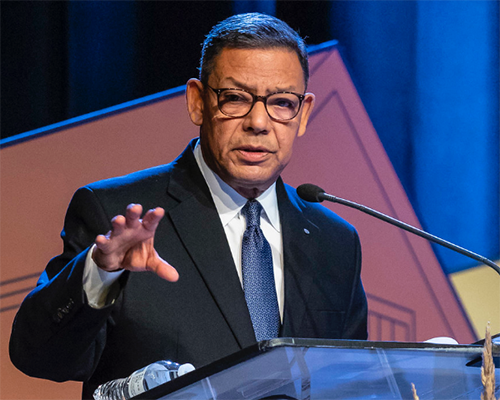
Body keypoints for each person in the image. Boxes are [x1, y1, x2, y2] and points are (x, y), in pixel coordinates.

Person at [9, 12, 367, 399]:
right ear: (197, 102)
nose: (259, 123)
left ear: (303, 113)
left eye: (281, 103)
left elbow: (351, 383)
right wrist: (100, 273)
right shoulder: (114, 214)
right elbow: (40, 358)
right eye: (235, 98)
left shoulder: (334, 241)